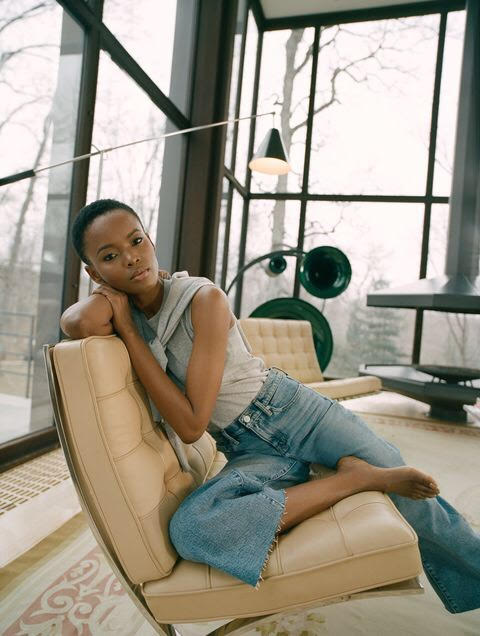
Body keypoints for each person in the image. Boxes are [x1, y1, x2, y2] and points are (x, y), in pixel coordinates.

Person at [61, 198, 480, 614]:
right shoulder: (128, 312)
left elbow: (190, 425)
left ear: (150, 240)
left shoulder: (202, 298)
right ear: (93, 272)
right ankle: (356, 480)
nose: (132, 258)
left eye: (137, 241)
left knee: (417, 499)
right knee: (192, 528)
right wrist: (119, 309)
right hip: (246, 446)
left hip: (295, 414)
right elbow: (77, 322)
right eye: (111, 256)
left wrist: (127, 328)